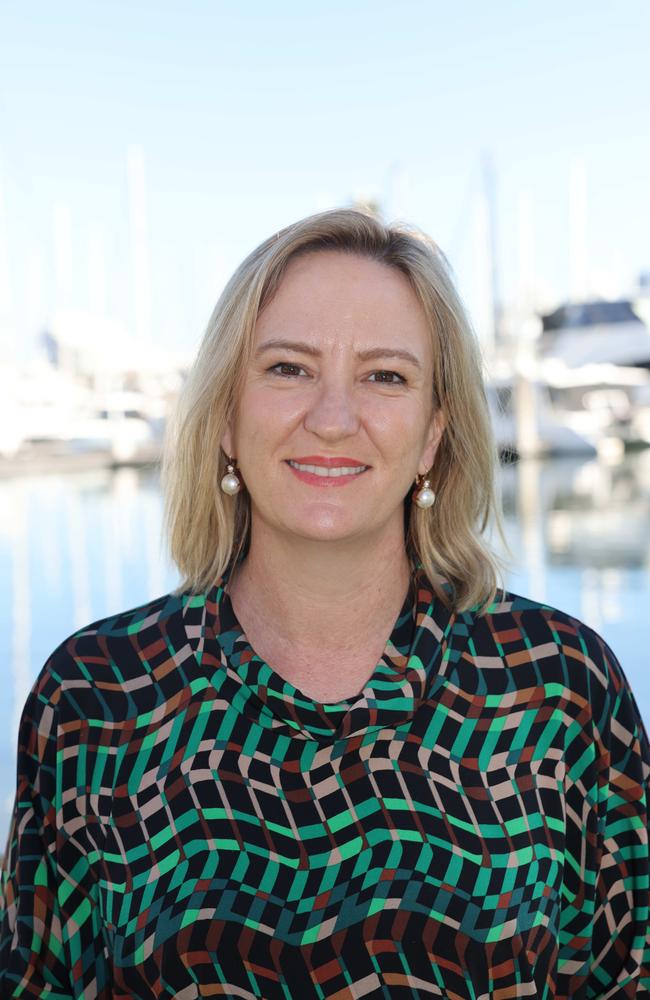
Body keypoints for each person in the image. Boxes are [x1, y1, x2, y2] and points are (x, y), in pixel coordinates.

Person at [0, 208, 648, 999]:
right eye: (287, 369)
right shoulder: (95, 696)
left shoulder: (557, 686)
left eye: (385, 376)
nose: (334, 419)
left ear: (435, 433)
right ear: (226, 419)